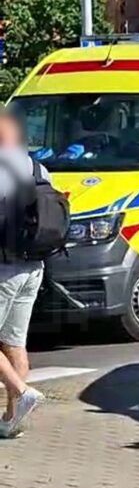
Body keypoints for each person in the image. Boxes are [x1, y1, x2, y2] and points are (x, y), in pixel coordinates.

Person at [0, 108, 47, 437]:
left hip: (5, 268)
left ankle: (21, 391)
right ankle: (12, 419)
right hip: (34, 266)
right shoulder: (38, 167)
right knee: (14, 343)